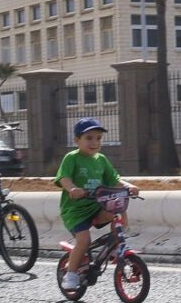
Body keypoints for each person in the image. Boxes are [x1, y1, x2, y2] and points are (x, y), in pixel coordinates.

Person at [54, 117, 136, 293]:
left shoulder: (101, 160)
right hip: (75, 210)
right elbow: (63, 178)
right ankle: (71, 274)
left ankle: (115, 247)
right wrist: (73, 188)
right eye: (89, 138)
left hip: (96, 207)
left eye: (98, 138)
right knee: (84, 240)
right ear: (77, 140)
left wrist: (128, 187)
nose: (94, 142)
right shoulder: (72, 158)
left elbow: (114, 180)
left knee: (119, 211)